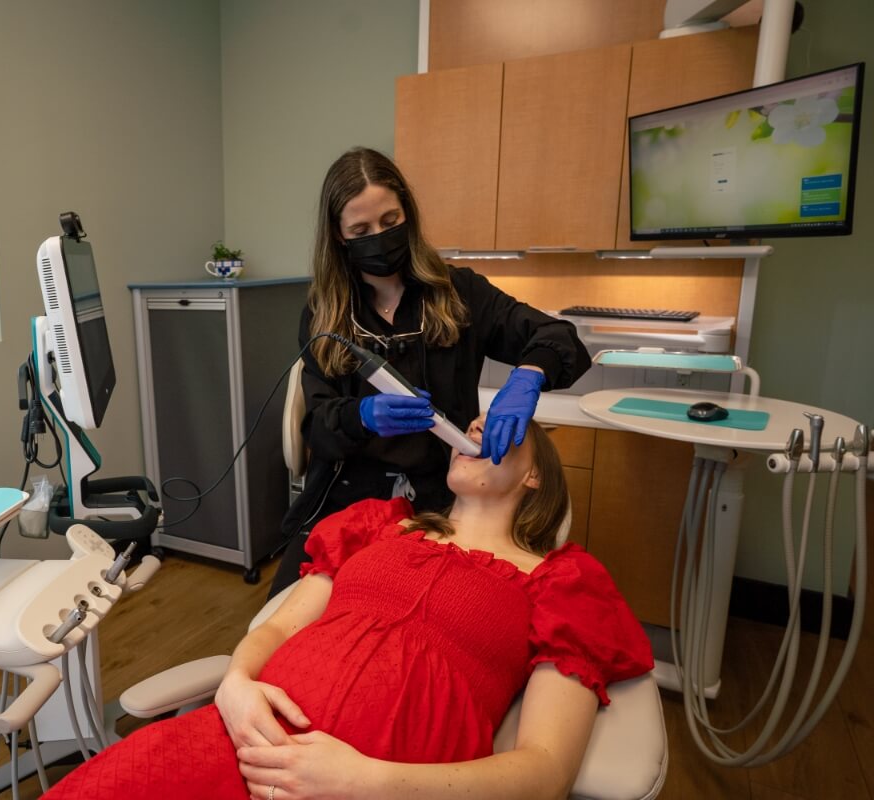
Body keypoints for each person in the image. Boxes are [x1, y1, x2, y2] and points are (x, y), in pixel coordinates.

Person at [43, 417, 653, 800]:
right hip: (242, 741)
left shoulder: (563, 583)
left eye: (499, 430)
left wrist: (365, 782)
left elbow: (545, 774)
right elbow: (280, 624)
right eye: (472, 424)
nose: (474, 431)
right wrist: (235, 683)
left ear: (536, 478)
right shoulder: (377, 526)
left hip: (385, 783)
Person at [272, 146, 591, 597]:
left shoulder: (459, 294)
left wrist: (528, 376)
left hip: (440, 503)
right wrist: (359, 417)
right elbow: (317, 429)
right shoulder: (325, 315)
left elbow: (557, 335)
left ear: (409, 215)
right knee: (289, 620)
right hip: (345, 498)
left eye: (390, 221)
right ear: (339, 236)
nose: (379, 238)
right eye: (361, 230)